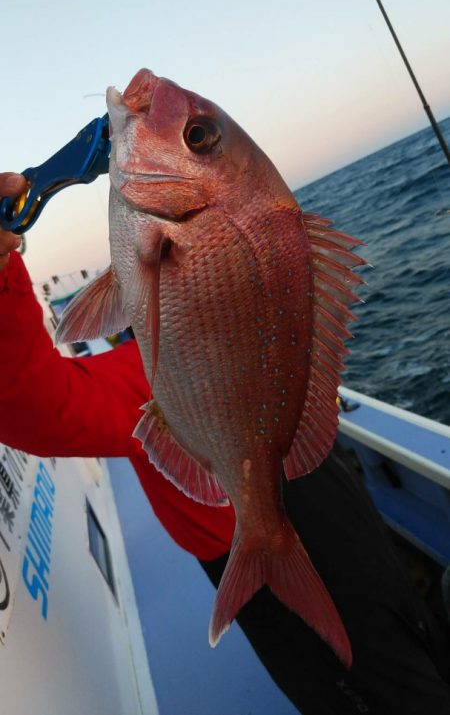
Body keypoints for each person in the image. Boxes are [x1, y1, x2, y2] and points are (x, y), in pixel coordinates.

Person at [1, 171, 449, 714]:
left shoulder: (144, 363)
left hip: (318, 497)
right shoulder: (144, 370)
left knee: (395, 643)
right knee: (371, 673)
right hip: (276, 512)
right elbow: (35, 406)